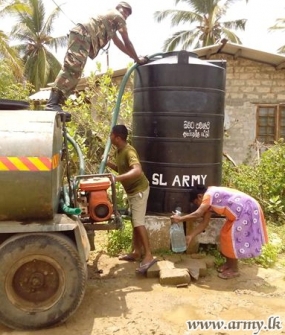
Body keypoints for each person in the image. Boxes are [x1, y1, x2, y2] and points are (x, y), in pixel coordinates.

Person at [45, 2, 147, 113]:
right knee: (72, 68)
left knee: (76, 72)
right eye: (125, 10)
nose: (126, 14)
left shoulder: (111, 22)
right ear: (118, 8)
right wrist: (137, 59)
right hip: (83, 35)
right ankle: (52, 103)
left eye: (128, 14)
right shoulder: (118, 16)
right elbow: (127, 42)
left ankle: (56, 104)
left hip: (83, 37)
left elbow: (118, 43)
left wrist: (132, 56)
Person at [171, 185, 268, 279]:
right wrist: (191, 236)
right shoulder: (209, 202)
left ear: (199, 196)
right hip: (239, 213)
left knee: (232, 238)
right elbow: (204, 224)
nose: (198, 206)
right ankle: (229, 264)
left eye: (197, 203)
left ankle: (234, 270)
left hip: (247, 210)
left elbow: (198, 213)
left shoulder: (208, 195)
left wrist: (180, 219)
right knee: (225, 235)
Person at [107, 125, 157, 274]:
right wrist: (110, 165)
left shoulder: (129, 151)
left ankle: (148, 255)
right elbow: (123, 169)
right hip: (132, 191)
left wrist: (116, 179)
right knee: (135, 220)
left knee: (139, 222)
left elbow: (137, 170)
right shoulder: (119, 151)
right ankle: (136, 252)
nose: (110, 138)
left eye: (111, 135)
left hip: (139, 191)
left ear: (117, 137)